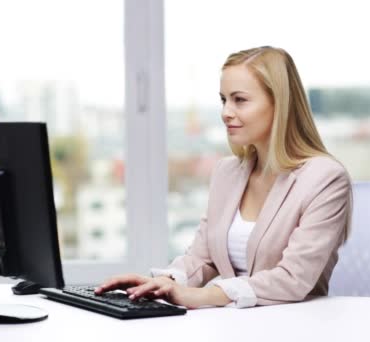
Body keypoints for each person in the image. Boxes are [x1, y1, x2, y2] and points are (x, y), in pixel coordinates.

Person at [95, 46, 352, 309]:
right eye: (223, 99)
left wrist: (203, 296)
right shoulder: (227, 173)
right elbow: (203, 258)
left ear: (280, 104)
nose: (225, 112)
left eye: (239, 100)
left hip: (292, 326)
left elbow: (293, 278)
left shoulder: (325, 178)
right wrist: (164, 283)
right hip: (230, 326)